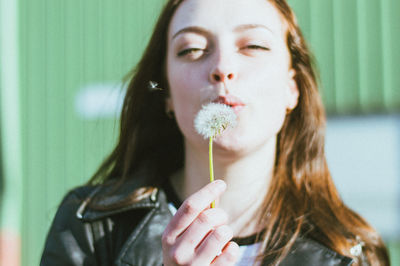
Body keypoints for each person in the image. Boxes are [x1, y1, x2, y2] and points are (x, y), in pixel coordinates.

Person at [41, 0, 390, 265]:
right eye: (191, 49)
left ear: (292, 88)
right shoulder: (91, 227)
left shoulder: (350, 251)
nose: (222, 67)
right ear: (166, 95)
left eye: (253, 45)